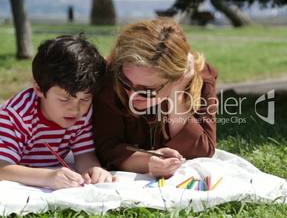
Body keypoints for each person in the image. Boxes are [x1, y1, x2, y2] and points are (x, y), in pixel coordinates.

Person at [93, 18, 218, 178]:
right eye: (126, 81)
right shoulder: (109, 78)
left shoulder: (201, 79)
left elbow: (202, 150)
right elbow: (107, 148)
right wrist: (148, 161)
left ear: (177, 77)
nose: (132, 95)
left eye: (147, 90)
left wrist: (176, 96)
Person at [0, 34, 115, 190]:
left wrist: (92, 170)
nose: (75, 109)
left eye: (84, 99)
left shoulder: (83, 112)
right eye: (64, 99)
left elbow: (84, 153)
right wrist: (48, 177)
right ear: (39, 88)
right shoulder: (15, 116)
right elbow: (3, 168)